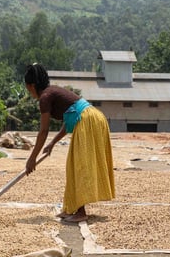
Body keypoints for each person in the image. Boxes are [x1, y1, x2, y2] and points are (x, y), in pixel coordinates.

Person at [24, 63, 115, 223]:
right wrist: (53, 143)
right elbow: (69, 120)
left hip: (87, 120)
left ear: (31, 86)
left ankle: (80, 212)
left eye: (27, 88)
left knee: (80, 165)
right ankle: (71, 208)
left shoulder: (45, 97)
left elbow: (43, 131)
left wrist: (32, 158)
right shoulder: (52, 93)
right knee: (73, 165)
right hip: (92, 118)